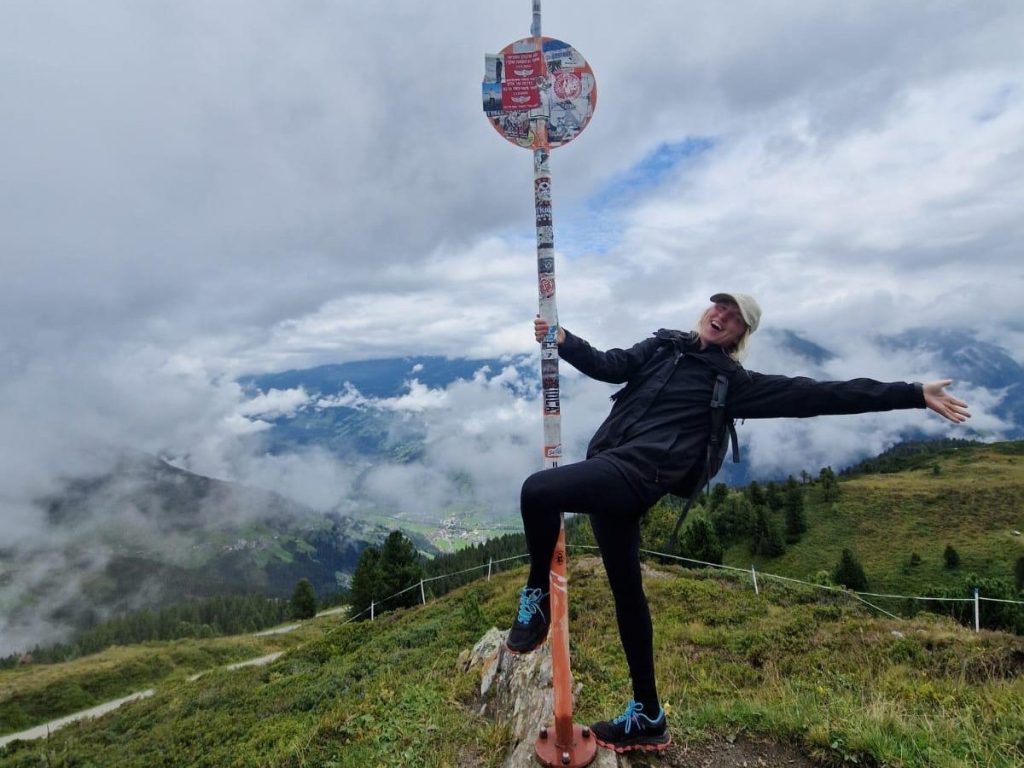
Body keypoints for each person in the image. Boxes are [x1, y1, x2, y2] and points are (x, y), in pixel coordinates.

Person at [505, 292, 970, 753]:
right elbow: (610, 364)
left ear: (741, 334)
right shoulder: (664, 346)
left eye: (734, 316)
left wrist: (911, 394)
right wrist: (563, 339)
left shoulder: (734, 382)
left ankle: (537, 597)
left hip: (638, 475)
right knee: (628, 594)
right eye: (718, 306)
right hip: (610, 465)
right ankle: (648, 715)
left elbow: (819, 394)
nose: (721, 314)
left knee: (538, 491)